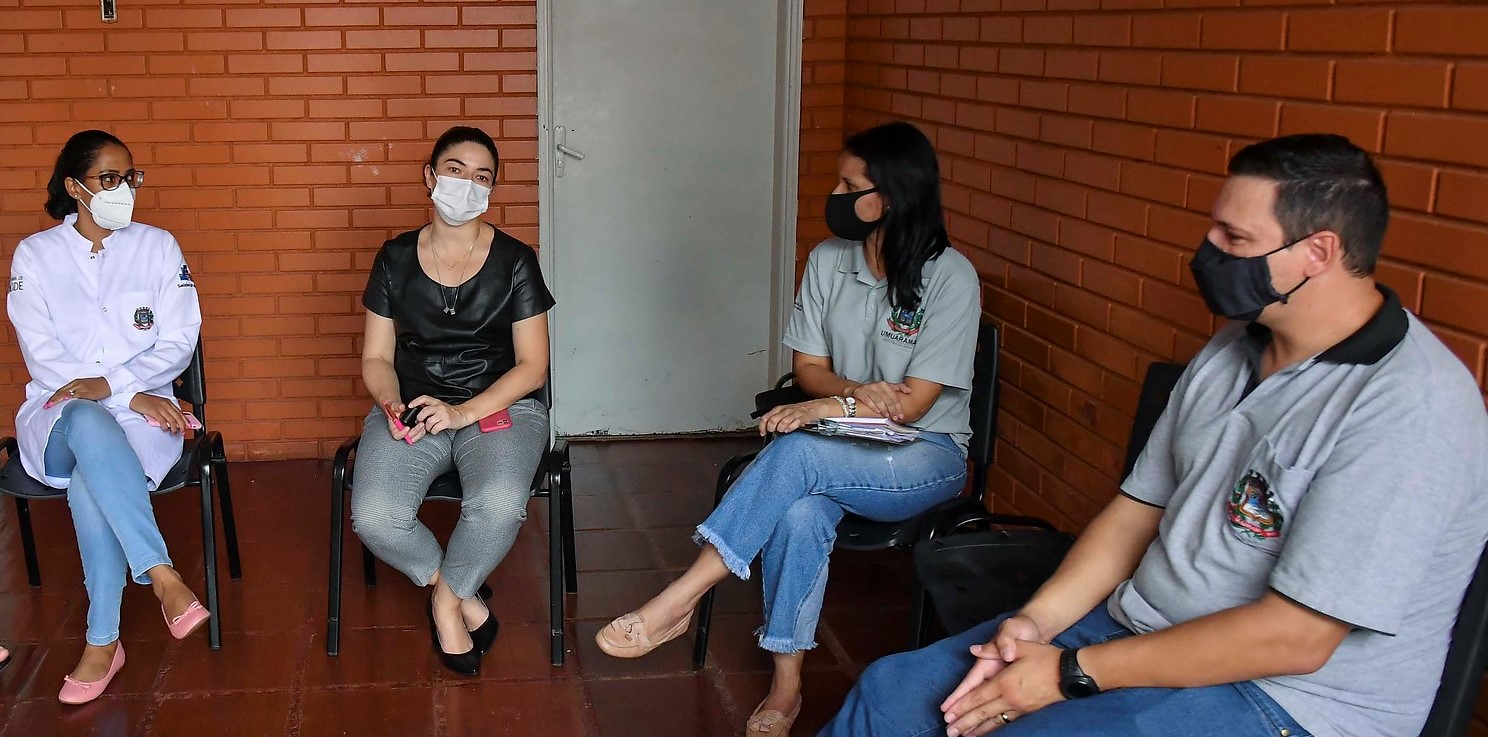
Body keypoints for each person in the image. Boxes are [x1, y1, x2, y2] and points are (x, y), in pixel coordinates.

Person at [820, 133, 1488, 737]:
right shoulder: (1232, 349)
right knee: (893, 694)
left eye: (1235, 240)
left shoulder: (1409, 405)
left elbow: (1296, 638)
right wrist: (1038, 623)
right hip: (1136, 627)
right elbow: (1136, 511)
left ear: (1318, 252)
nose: (1208, 253)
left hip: (1288, 697)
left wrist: (1068, 673)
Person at [596, 121, 981, 735]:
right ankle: (786, 686)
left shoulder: (950, 276)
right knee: (799, 515)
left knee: (798, 453)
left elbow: (913, 406)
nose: (835, 192)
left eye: (849, 183)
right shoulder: (831, 262)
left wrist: (827, 410)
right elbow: (808, 369)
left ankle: (682, 598)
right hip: (843, 447)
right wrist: (849, 396)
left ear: (891, 194)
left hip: (924, 456)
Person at [7, 130, 210, 704]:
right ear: (75, 187)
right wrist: (128, 394)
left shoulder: (158, 246)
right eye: (109, 179)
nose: (125, 188)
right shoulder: (37, 255)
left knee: (93, 476)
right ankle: (162, 574)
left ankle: (103, 641)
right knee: (89, 423)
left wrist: (118, 389)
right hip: (57, 417)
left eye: (131, 177)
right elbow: (45, 360)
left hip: (146, 421)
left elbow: (178, 340)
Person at [352, 126, 554, 677]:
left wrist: (464, 412)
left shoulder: (516, 259)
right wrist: (392, 404)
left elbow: (533, 365)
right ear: (430, 177)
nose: (467, 184)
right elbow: (376, 358)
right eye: (455, 170)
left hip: (502, 408)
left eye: (482, 177)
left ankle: (446, 605)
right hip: (414, 407)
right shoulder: (394, 258)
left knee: (497, 503)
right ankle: (462, 590)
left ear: (492, 190)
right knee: (375, 517)